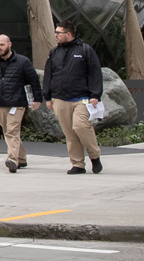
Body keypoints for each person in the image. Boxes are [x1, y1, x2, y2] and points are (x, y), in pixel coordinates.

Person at [41, 18, 104, 175]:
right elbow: (48, 75)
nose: (55, 35)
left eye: (58, 32)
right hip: (60, 99)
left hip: (81, 98)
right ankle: (78, 164)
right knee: (70, 133)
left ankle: (95, 157)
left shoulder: (85, 50)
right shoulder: (54, 52)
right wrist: (48, 97)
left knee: (80, 126)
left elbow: (95, 72)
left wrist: (95, 94)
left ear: (68, 34)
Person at [0, 34, 43, 173]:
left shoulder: (23, 62)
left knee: (12, 130)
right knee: (7, 130)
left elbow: (34, 81)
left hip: (17, 103)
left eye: (2, 44)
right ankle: (22, 158)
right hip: (0, 103)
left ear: (10, 44)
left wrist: (37, 100)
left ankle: (12, 160)